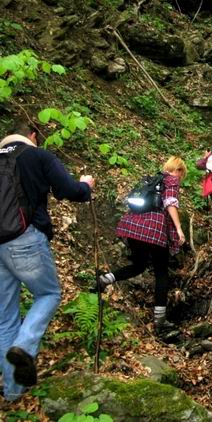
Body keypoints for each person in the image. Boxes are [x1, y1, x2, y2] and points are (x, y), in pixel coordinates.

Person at [0, 122, 95, 402]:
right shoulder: (37, 155)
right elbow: (69, 190)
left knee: (5, 318)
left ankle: (13, 392)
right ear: (32, 136)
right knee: (48, 294)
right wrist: (86, 186)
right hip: (25, 239)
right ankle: (24, 347)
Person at [97, 157, 186, 336]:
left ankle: (104, 280)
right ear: (179, 170)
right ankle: (160, 320)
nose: (181, 177)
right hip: (153, 231)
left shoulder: (152, 179)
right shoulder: (171, 181)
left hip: (133, 226)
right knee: (161, 273)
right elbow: (170, 203)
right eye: (182, 174)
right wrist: (178, 228)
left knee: (139, 265)